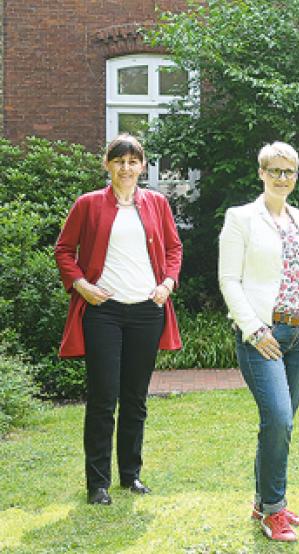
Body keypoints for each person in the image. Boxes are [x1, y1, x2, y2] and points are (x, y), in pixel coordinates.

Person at [54, 134, 183, 506]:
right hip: (103, 312)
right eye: (119, 161)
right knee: (102, 398)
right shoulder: (88, 204)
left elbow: (174, 248)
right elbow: (64, 249)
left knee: (135, 399)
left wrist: (168, 282)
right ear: (107, 165)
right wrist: (80, 285)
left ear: (142, 166)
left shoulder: (157, 204)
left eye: (133, 161)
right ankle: (97, 484)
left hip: (147, 311)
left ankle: (131, 476)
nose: (126, 168)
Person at [218, 142, 299, 542]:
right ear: (261, 173)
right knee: (279, 419)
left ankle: (264, 501)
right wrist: (254, 330)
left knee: (279, 424)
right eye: (275, 171)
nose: (283, 178)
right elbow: (229, 281)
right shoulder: (241, 218)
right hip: (263, 337)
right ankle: (273, 511)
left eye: (289, 172)